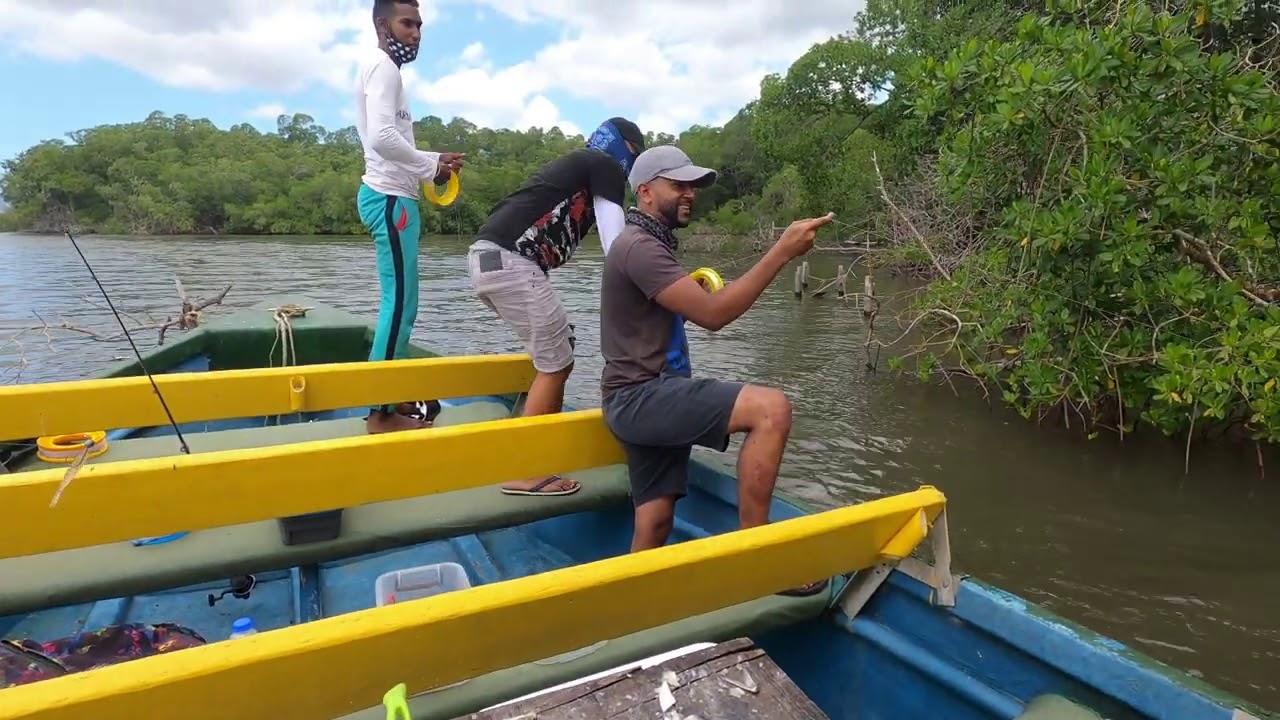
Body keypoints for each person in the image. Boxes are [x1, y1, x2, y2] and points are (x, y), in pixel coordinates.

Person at [599, 144, 834, 597]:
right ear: (645, 192)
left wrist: (692, 291)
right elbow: (714, 316)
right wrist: (780, 252)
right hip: (642, 398)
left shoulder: (647, 245)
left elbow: (680, 306)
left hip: (635, 397)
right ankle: (755, 559)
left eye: (692, 186)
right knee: (771, 410)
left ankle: (629, 607)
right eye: (678, 185)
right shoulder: (640, 248)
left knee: (655, 520)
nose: (689, 193)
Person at [466, 117, 645, 497]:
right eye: (634, 155)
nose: (631, 166)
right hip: (512, 261)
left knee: (557, 348)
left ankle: (531, 443)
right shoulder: (604, 165)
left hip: (488, 258)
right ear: (622, 149)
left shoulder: (579, 167)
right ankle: (526, 469)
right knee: (558, 363)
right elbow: (616, 246)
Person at [354, 0, 466, 434]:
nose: (416, 32)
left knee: (406, 304)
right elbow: (382, 139)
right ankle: (380, 413)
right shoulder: (382, 67)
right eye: (407, 23)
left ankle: (390, 392)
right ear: (383, 25)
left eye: (419, 25)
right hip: (389, 200)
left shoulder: (385, 71)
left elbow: (389, 137)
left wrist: (436, 158)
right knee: (398, 306)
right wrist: (431, 168)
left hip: (395, 198)